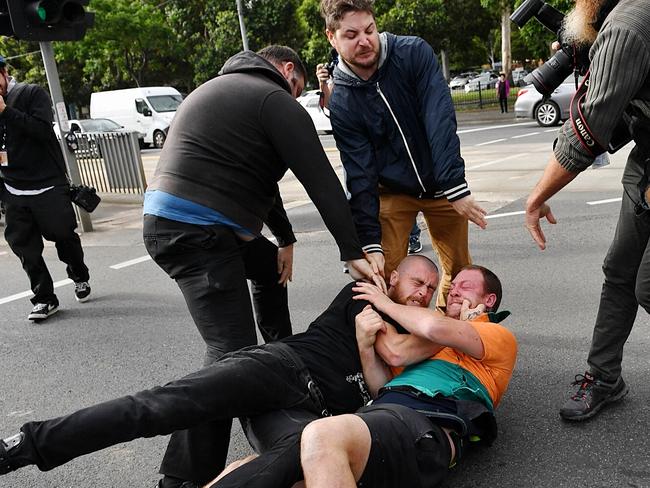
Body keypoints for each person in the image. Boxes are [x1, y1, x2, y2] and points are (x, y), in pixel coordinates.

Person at [142, 45, 384, 487]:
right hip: (197, 234)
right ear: (289, 72)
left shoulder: (227, 92)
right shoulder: (276, 100)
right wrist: (352, 250)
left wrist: (285, 241)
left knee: (270, 268)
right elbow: (322, 181)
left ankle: (280, 353)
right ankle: (182, 478)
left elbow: (258, 180)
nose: (299, 97)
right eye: (300, 89)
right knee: (229, 359)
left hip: (187, 224)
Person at [0, 255, 438, 488]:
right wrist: (457, 329)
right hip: (281, 368)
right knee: (159, 406)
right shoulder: (369, 294)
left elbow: (383, 379)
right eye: (418, 282)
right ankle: (22, 447)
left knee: (286, 467)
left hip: (308, 418)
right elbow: (397, 349)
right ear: (393, 276)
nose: (423, 294)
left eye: (432, 291)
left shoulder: (409, 331)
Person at [524, 0, 650, 421]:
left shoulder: (629, 24)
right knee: (621, 269)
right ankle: (604, 377)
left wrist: (536, 196)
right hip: (647, 155)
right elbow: (616, 118)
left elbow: (591, 128)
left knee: (647, 286)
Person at [320, 0, 488, 308]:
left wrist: (455, 186)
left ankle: (449, 332)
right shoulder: (342, 99)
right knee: (384, 273)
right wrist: (369, 241)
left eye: (369, 29)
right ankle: (396, 337)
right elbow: (359, 172)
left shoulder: (412, 53)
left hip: (440, 184)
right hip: (392, 191)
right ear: (332, 37)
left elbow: (439, 117)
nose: (364, 40)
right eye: (351, 34)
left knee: (460, 270)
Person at [300, 265, 517, 488]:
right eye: (452, 287)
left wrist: (385, 303)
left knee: (321, 436)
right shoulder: (422, 342)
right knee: (296, 470)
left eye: (465, 286)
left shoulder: (496, 335)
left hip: (424, 422)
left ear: (489, 300)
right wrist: (365, 348)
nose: (453, 291)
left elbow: (433, 327)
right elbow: (382, 385)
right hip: (381, 414)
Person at [0, 55, 91, 321]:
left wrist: (6, 111)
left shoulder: (30, 94)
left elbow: (41, 131)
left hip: (47, 184)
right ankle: (44, 298)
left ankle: (79, 274)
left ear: (4, 72)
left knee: (62, 234)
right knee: (24, 247)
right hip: (13, 189)